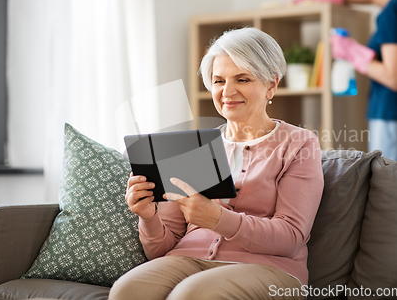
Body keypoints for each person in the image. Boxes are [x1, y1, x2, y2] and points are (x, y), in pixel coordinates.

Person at [109, 27, 324, 300]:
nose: (227, 91)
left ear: (271, 84)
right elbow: (162, 248)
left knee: (191, 295)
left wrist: (219, 219)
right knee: (127, 291)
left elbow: (291, 236)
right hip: (187, 259)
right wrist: (148, 217)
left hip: (269, 268)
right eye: (219, 80)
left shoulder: (299, 143)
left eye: (243, 79)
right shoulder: (193, 146)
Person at [296, 0, 397, 161]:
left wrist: (351, 51)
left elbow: (394, 78)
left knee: (390, 189)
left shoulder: (394, 11)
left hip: (393, 121)